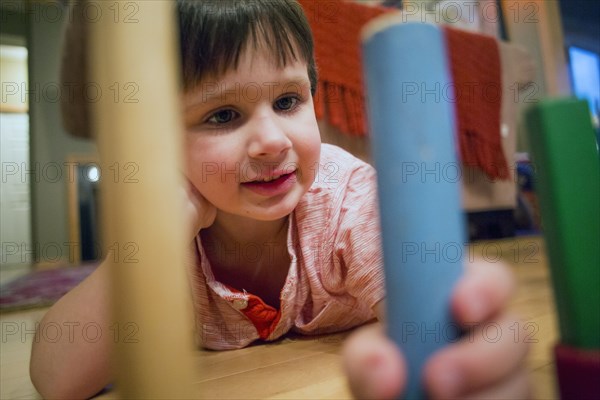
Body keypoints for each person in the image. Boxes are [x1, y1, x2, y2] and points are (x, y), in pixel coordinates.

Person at [30, 1, 530, 399]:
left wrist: (465, 362)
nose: (272, 140)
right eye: (223, 115)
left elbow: (435, 333)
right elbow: (57, 380)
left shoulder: (346, 200)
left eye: (288, 100)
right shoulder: (169, 231)